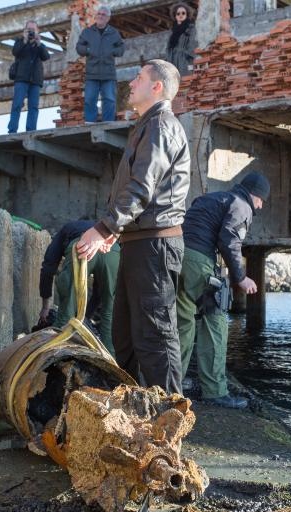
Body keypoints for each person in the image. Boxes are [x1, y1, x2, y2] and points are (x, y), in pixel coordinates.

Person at [76, 59, 189, 394]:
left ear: (157, 86)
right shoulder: (146, 126)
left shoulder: (160, 126)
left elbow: (142, 188)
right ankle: (135, 412)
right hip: (139, 243)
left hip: (155, 246)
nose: (130, 83)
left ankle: (170, 420)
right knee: (125, 336)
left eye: (139, 78)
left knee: (154, 335)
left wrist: (103, 228)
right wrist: (117, 231)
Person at [176, 173, 270, 409]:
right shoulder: (242, 206)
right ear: (255, 195)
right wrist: (241, 277)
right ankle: (215, 392)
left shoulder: (210, 199)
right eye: (262, 200)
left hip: (177, 258)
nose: (261, 206)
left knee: (183, 323)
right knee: (215, 323)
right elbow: (229, 239)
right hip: (200, 262)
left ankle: (172, 383)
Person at [38, 220, 119, 354]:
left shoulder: (66, 229)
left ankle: (60, 356)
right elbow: (99, 293)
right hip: (112, 249)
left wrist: (45, 307)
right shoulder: (103, 227)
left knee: (67, 314)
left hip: (82, 245)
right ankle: (111, 365)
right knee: (110, 314)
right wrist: (86, 316)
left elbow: (48, 268)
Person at [76, 5, 125, 123]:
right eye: (98, 14)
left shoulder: (114, 33)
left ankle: (108, 124)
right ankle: (90, 123)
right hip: (92, 73)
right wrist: (88, 50)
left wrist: (112, 51)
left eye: (103, 15)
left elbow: (121, 48)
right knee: (89, 99)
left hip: (108, 74)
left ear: (108, 18)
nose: (100, 16)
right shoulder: (87, 32)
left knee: (109, 99)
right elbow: (79, 47)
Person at [8, 21, 50, 133]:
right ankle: (12, 130)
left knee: (34, 107)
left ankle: (31, 130)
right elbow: (15, 52)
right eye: (29, 30)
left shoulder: (40, 45)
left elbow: (46, 57)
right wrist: (25, 41)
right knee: (17, 104)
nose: (31, 32)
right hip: (21, 78)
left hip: (35, 80)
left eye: (33, 30)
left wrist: (39, 43)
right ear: (24, 31)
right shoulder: (19, 42)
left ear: (37, 31)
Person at [166, 3, 198, 76]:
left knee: (186, 81)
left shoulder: (191, 29)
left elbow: (193, 44)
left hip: (185, 62)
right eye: (178, 13)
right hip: (173, 62)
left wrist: (186, 57)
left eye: (183, 13)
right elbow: (168, 48)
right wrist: (168, 60)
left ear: (187, 15)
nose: (181, 15)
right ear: (175, 15)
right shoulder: (173, 32)